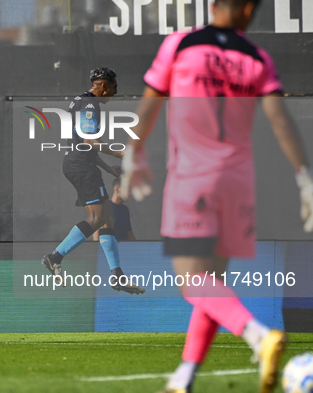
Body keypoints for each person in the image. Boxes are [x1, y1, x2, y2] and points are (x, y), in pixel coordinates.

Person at [120, 0, 313, 391]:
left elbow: (149, 105)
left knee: (192, 283)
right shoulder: (258, 58)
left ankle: (260, 336)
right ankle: (184, 377)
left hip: (194, 178)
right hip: (239, 181)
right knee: (212, 282)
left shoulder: (181, 45)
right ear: (244, 9)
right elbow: (280, 120)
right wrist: (305, 178)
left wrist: (133, 153)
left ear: (213, 5)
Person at [41, 67, 145, 295]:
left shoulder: (81, 101)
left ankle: (117, 277)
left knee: (108, 219)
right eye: (115, 87)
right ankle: (54, 257)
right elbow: (90, 141)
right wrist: (119, 153)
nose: (116, 92)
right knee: (98, 218)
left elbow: (83, 143)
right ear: (104, 86)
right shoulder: (90, 105)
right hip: (81, 167)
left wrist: (108, 168)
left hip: (81, 164)